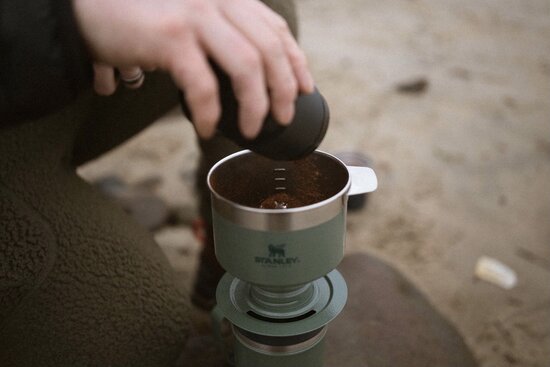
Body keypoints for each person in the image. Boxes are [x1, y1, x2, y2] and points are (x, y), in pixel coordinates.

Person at [0, 0, 310, 365]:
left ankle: (225, 285)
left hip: (46, 56)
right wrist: (67, 17)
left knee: (252, 22)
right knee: (138, 329)